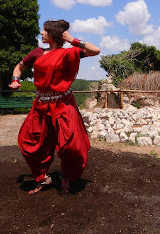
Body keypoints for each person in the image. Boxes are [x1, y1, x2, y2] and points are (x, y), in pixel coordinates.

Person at [9, 19, 100, 194]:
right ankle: (43, 179)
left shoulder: (69, 53)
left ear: (54, 34)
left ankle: (67, 176)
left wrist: (73, 40)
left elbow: (95, 51)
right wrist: (15, 80)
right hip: (41, 106)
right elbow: (19, 67)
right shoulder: (37, 53)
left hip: (63, 104)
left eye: (44, 31)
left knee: (72, 145)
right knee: (29, 142)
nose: (41, 33)